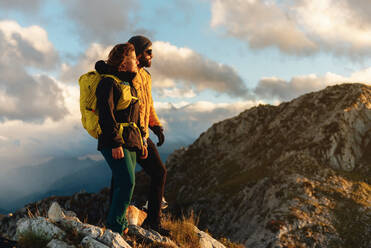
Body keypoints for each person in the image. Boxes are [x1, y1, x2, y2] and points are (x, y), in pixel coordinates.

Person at [95, 43, 147, 235]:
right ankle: (115, 227)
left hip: (130, 142)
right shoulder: (108, 83)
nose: (137, 61)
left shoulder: (129, 84)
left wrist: (141, 140)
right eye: (134, 59)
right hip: (114, 142)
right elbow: (106, 115)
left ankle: (118, 225)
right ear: (123, 64)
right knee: (127, 183)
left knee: (123, 183)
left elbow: (134, 117)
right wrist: (115, 143)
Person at [127, 35, 169, 235]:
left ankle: (153, 222)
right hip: (126, 135)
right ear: (137, 53)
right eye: (148, 51)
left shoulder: (146, 76)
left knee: (159, 173)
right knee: (123, 180)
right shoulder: (127, 74)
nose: (152, 55)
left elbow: (148, 105)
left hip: (142, 135)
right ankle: (114, 222)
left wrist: (156, 126)